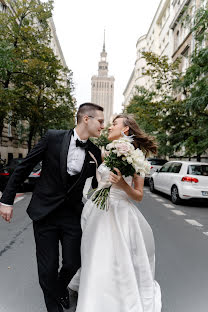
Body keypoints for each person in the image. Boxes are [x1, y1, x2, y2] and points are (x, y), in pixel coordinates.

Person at [0, 103, 104, 312]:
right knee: (47, 269)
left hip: (72, 214)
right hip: (45, 213)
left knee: (72, 263)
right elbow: (24, 167)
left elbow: (97, 184)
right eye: (100, 121)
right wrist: (7, 200)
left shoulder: (94, 151)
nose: (103, 125)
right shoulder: (52, 137)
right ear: (86, 119)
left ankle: (58, 289)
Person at [69, 113, 162, 312]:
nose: (110, 127)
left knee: (113, 257)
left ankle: (112, 300)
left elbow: (138, 196)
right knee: (93, 254)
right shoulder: (105, 153)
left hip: (119, 214)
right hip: (96, 210)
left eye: (114, 124)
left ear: (126, 129)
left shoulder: (137, 158)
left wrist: (122, 184)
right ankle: (92, 289)